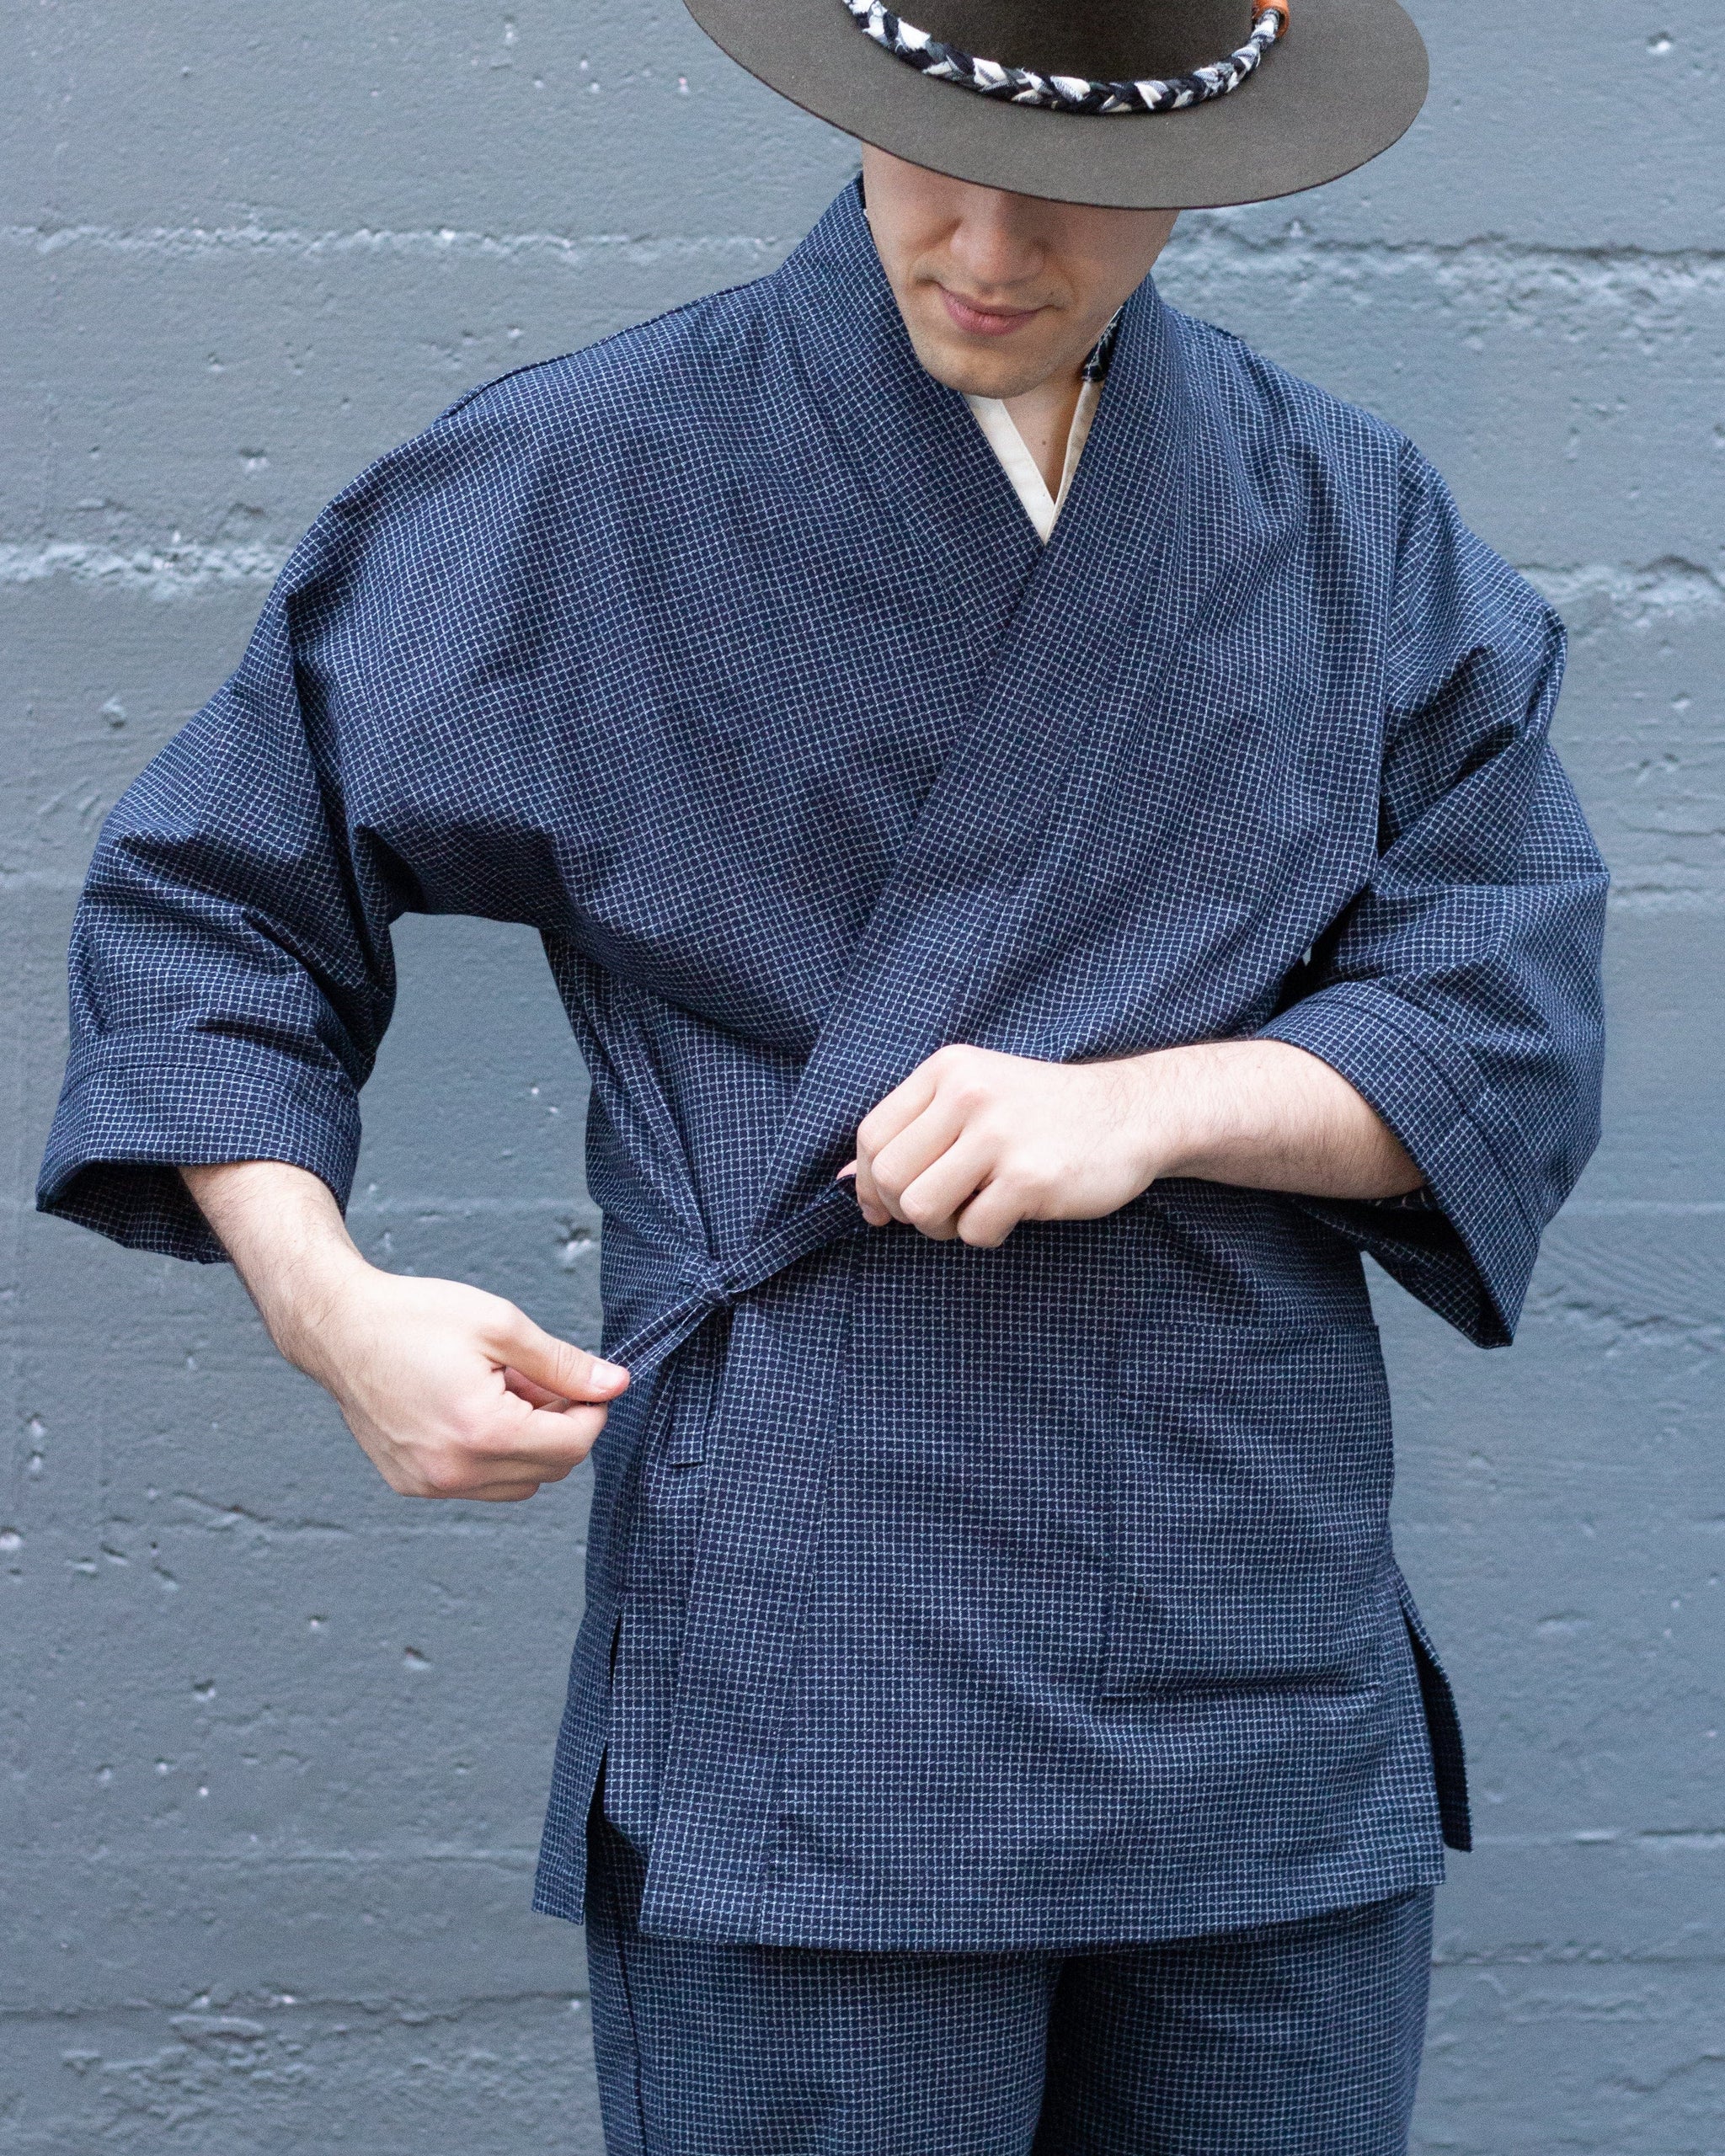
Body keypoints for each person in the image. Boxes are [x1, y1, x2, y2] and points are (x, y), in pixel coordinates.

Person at [39, 0, 1607, 2147]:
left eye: (1080, 193)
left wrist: (1152, 1100)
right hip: (816, 1628)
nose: (989, 245)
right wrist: (333, 1306)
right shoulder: (591, 474)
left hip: (1250, 1616)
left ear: (1194, 175)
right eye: (931, 160)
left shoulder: (1347, 517)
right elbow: (216, 902)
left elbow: (1498, 1005)